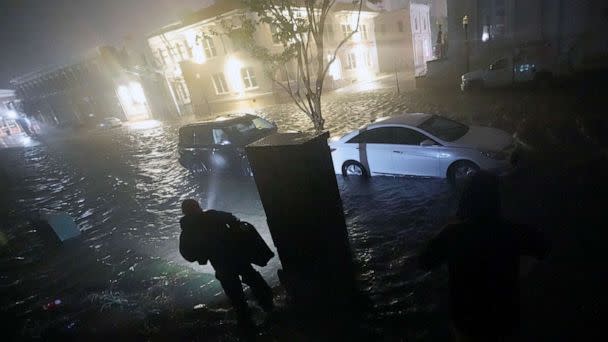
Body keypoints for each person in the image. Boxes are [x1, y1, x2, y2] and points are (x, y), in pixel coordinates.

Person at [419, 172, 549, 341]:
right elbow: (544, 248)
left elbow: (424, 262)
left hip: (467, 319)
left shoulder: (453, 234)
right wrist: (522, 270)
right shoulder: (512, 231)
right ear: (496, 200)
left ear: (466, 199)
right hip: (505, 317)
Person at [179, 199, 274, 331]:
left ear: (185, 212)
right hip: (235, 256)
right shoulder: (211, 215)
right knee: (253, 280)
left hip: (220, 264)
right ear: (197, 207)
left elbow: (187, 253)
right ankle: (270, 309)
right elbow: (233, 219)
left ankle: (247, 323)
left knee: (236, 295)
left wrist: (201, 254)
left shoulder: (188, 229)